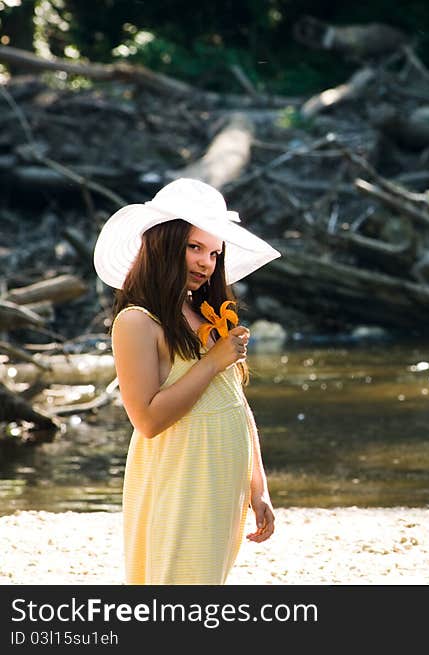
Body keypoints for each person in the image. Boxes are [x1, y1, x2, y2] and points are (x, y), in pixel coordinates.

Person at [93, 177, 281, 584]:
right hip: (182, 478)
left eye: (214, 252)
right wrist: (212, 362)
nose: (206, 263)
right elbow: (147, 419)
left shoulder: (208, 314)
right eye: (195, 247)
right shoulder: (137, 322)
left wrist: (258, 486)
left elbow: (237, 403)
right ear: (164, 243)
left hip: (222, 476)